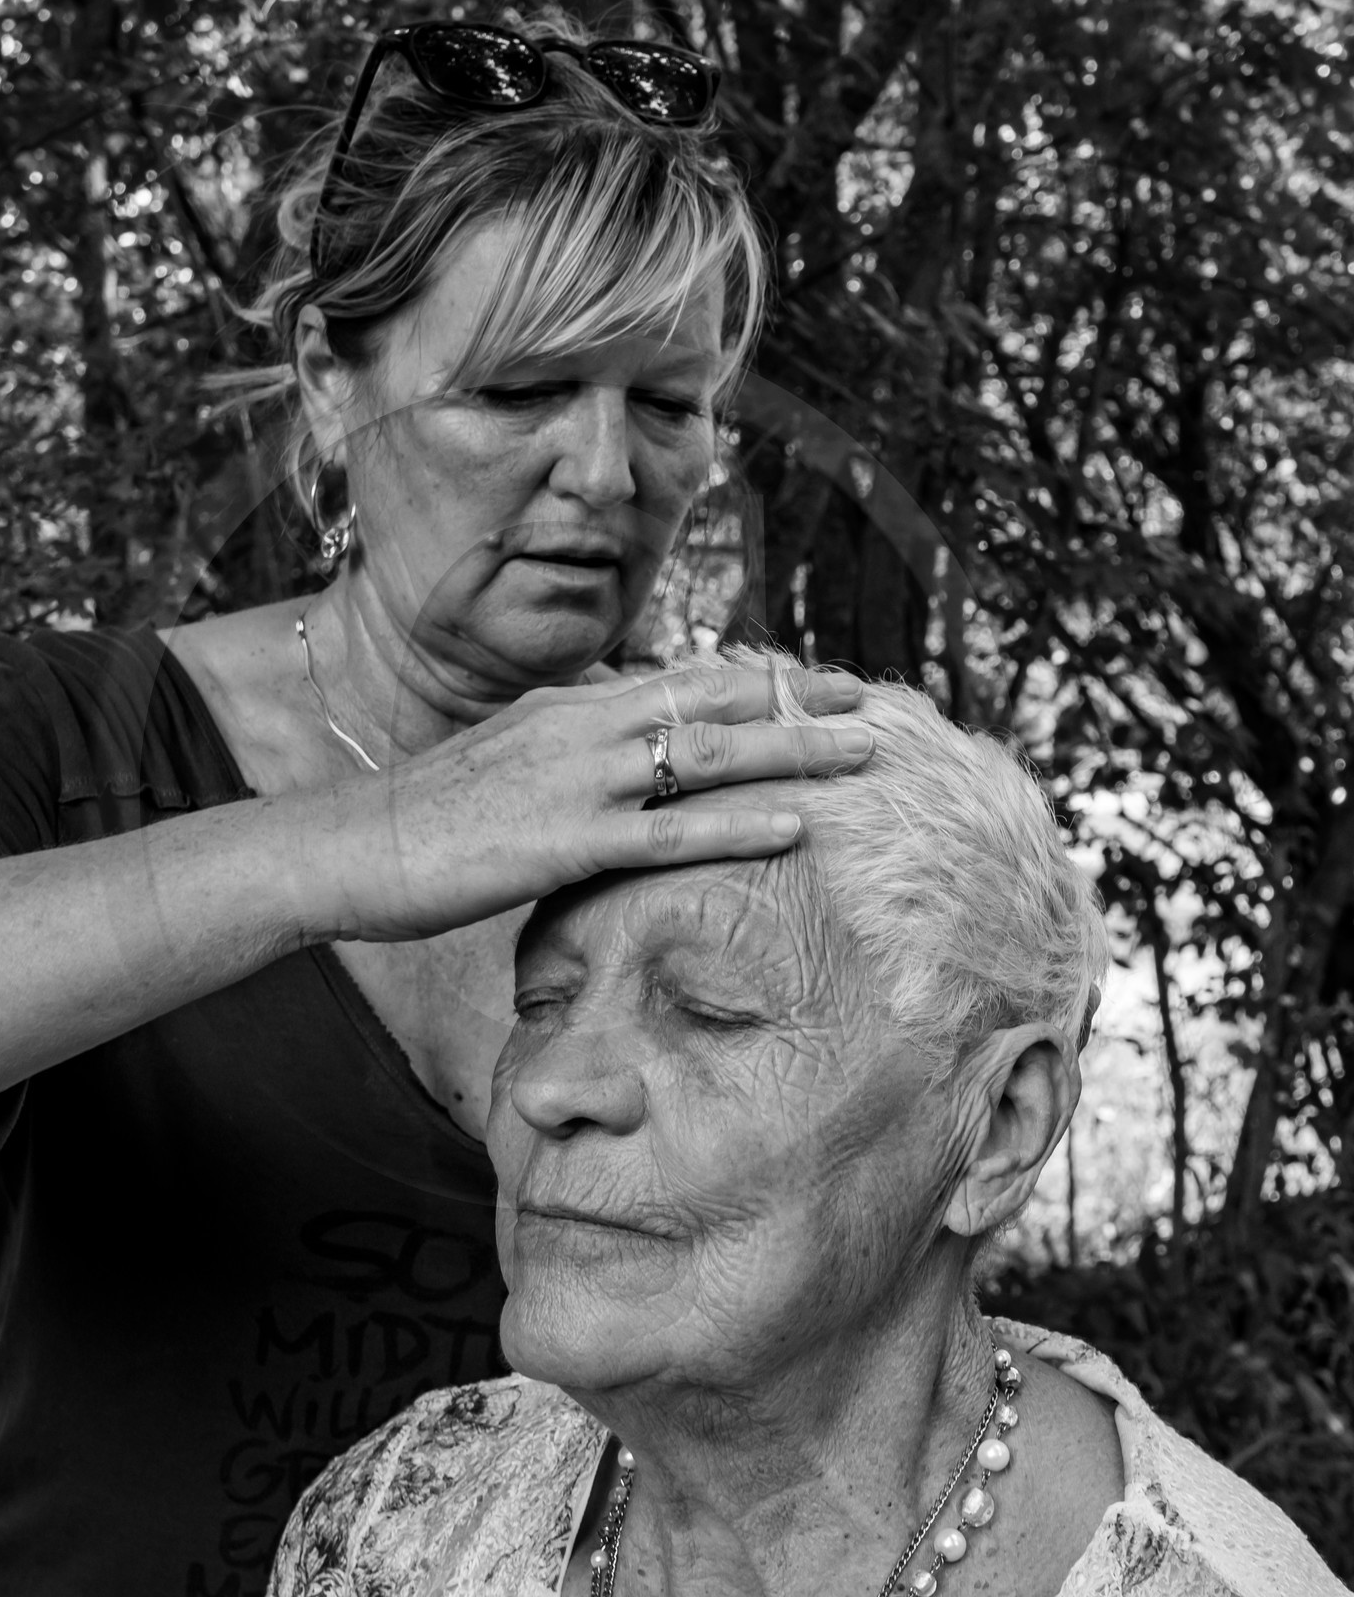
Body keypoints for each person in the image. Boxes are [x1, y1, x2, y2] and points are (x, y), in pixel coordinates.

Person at [0, 16, 877, 1596]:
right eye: (521, 389)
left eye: (672, 403)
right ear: (328, 389)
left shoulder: (761, 788)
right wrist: (369, 845)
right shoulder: (76, 732)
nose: (609, 473)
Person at [268, 658, 1348, 1597]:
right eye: (540, 1003)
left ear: (999, 1130)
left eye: (708, 1010)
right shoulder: (398, 1515)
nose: (550, 1084)